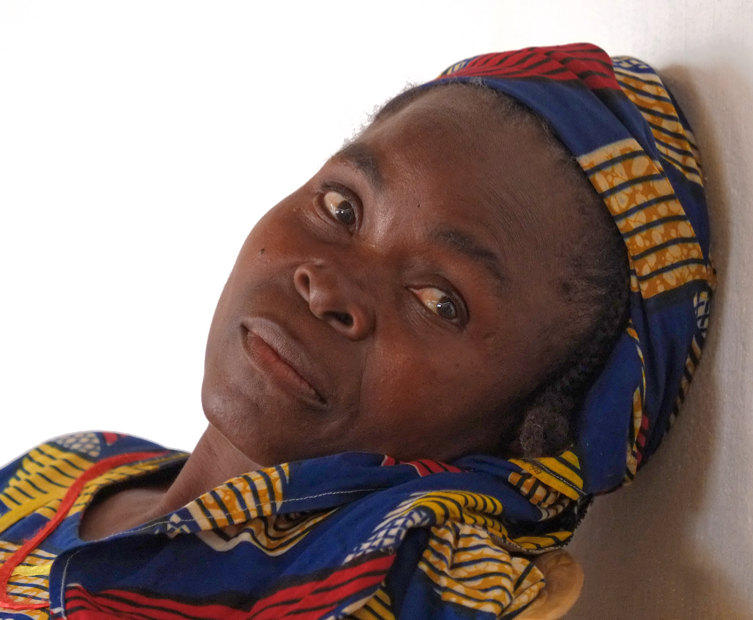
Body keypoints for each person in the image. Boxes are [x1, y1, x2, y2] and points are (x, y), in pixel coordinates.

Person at [0, 43, 713, 620]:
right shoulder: (62, 471)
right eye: (342, 207)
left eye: (440, 301)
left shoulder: (405, 591)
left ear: (533, 424)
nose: (330, 285)